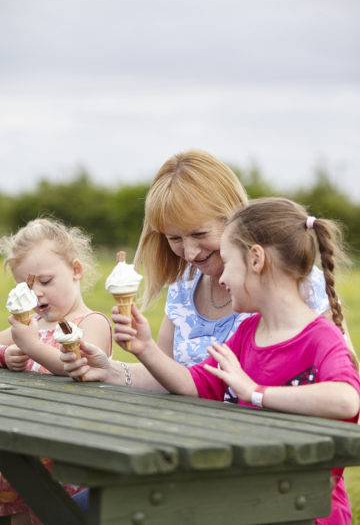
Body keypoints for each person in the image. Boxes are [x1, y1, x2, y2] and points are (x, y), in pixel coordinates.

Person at [100, 197, 360, 524]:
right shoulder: (248, 332)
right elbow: (196, 383)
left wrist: (255, 392)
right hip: (249, 503)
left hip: (307, 510)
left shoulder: (321, 338)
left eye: (227, 262)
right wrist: (146, 348)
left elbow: (346, 400)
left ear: (255, 259)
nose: (221, 279)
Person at [61, 149, 357, 388]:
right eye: (174, 238)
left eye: (200, 234)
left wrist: (259, 396)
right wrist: (108, 369)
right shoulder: (184, 286)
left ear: (233, 218)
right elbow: (169, 374)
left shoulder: (297, 283)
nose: (189, 253)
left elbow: (344, 383)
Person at [0, 217, 113, 525]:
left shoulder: (92, 323)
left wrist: (31, 345)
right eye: (26, 287)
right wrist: (6, 355)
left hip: (68, 452)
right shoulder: (31, 326)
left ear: (76, 270)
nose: (36, 295)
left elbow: (76, 367)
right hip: (25, 446)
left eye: (46, 282)